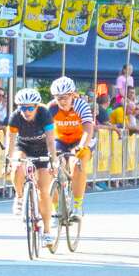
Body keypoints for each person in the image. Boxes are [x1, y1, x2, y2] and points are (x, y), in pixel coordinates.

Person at [5, 88, 59, 247]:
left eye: (30, 108)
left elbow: (50, 141)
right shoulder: (15, 117)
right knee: (17, 165)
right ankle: (20, 196)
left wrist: (53, 161)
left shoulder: (44, 114)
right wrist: (7, 160)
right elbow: (10, 139)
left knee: (43, 190)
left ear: (36, 106)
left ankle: (47, 231)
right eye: (23, 108)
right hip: (23, 147)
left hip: (43, 149)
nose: (26, 111)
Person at [48, 76, 94, 217]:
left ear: (72, 95)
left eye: (65, 97)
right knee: (51, 167)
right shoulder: (51, 107)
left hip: (80, 140)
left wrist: (81, 146)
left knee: (77, 163)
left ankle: (78, 205)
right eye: (58, 97)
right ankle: (56, 209)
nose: (62, 101)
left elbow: (88, 130)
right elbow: (43, 130)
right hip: (60, 140)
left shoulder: (81, 105)